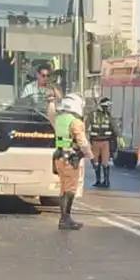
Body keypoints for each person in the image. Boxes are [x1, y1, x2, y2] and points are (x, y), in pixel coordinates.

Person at [52, 93, 89, 231]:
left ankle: (64, 218)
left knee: (63, 188)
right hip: (70, 159)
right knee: (70, 189)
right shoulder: (75, 121)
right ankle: (65, 219)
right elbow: (82, 141)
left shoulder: (59, 118)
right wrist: (89, 154)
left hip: (59, 157)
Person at [86, 98, 117, 188]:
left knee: (105, 162)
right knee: (96, 162)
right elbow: (85, 127)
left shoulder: (107, 115)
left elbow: (114, 127)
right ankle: (99, 180)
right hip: (96, 142)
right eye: (106, 106)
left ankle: (106, 181)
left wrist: (119, 137)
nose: (107, 108)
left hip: (104, 142)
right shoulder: (93, 115)